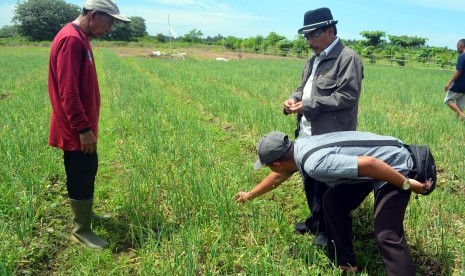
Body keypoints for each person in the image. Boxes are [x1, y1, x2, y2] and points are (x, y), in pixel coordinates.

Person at [235, 131, 432, 274]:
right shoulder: (302, 145)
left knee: (386, 234)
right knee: (333, 201)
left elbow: (372, 165)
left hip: (396, 166)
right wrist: (250, 194)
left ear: (277, 164)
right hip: (377, 164)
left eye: (268, 166)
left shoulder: (314, 164)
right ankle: (347, 264)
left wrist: (407, 184)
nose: (272, 170)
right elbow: (280, 177)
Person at [256, 7, 364, 246]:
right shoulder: (312, 60)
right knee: (309, 179)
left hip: (329, 135)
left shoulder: (348, 58)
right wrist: (293, 100)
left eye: (313, 35)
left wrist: (308, 104)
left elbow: (347, 96)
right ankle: (316, 221)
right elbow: (302, 87)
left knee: (326, 182)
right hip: (306, 131)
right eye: (306, 36)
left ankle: (326, 230)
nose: (309, 41)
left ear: (330, 30)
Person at [48, 0, 130, 249]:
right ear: (94, 15)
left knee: (87, 170)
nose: (110, 28)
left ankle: (87, 216)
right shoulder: (72, 40)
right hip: (75, 130)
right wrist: (83, 129)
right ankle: (81, 230)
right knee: (80, 174)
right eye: (110, 22)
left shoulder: (81, 38)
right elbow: (68, 92)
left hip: (81, 127)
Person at [444, 39, 465, 120]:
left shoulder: (462, 56)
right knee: (460, 106)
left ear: (461, 46)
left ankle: (461, 114)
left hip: (459, 84)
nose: (457, 49)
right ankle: (458, 123)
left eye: (457, 47)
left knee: (448, 100)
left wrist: (449, 82)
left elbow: (459, 71)